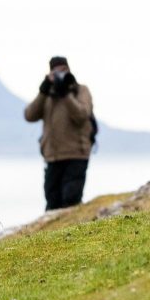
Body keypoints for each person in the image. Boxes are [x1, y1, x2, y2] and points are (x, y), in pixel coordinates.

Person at [24, 56, 94, 210]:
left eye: (63, 70)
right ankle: (53, 233)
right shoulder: (48, 94)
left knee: (71, 200)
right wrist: (43, 91)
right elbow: (29, 115)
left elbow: (82, 115)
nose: (59, 74)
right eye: (55, 71)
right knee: (52, 203)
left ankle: (75, 232)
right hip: (53, 156)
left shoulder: (80, 90)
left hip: (76, 154)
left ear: (69, 69)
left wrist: (66, 94)